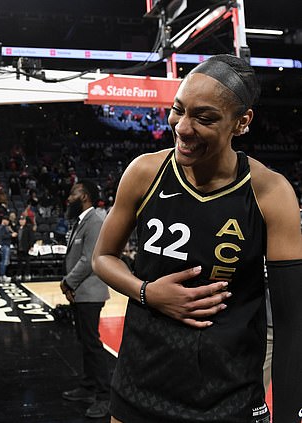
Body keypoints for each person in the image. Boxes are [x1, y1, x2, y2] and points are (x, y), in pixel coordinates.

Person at [91, 54, 302, 423]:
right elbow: (103, 257)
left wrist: (288, 415)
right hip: (140, 384)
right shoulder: (145, 171)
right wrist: (147, 292)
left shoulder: (271, 192)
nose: (182, 128)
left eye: (203, 118)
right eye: (178, 110)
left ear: (242, 123)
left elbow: (291, 322)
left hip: (230, 397)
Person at [60, 179, 111, 419]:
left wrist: (68, 282)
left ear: (85, 196)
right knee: (85, 341)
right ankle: (89, 385)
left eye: (73, 193)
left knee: (92, 343)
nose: (69, 197)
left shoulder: (96, 221)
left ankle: (104, 396)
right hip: (81, 292)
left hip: (90, 292)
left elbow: (89, 259)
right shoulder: (81, 221)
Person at [0, 215, 17, 282]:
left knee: (5, 261)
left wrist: (11, 231)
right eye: (7, 221)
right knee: (4, 261)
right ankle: (2, 275)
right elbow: (2, 236)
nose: (8, 222)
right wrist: (11, 235)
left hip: (7, 245)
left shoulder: (5, 227)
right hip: (4, 246)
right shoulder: (1, 227)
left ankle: (3, 275)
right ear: (4, 220)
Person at [16, 215, 36, 281]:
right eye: (21, 220)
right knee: (19, 262)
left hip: (26, 247)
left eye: (23, 220)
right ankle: (19, 274)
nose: (22, 221)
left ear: (25, 221)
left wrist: (31, 246)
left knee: (27, 262)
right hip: (19, 247)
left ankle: (27, 274)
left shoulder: (28, 228)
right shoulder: (17, 228)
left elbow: (31, 237)